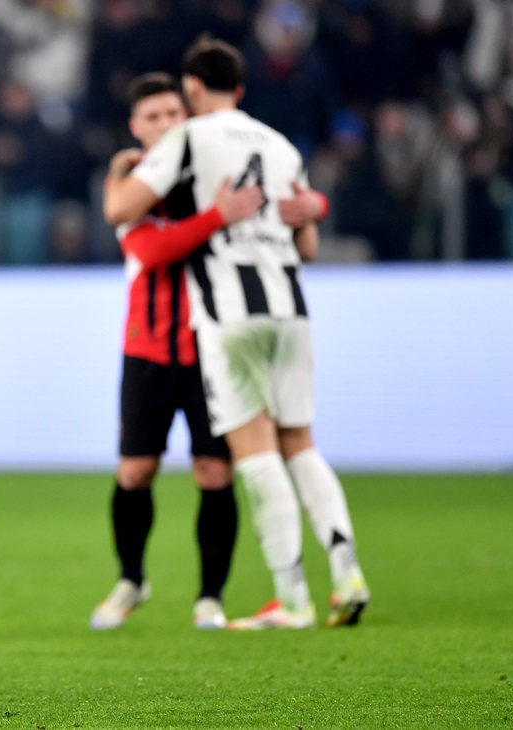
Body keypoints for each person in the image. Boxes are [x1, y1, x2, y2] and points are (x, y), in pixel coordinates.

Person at [105, 37, 370, 630]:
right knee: (299, 442)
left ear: (193, 90)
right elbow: (306, 241)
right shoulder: (279, 145)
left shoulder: (190, 141)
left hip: (227, 316)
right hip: (291, 308)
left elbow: (120, 210)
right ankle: (348, 570)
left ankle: (294, 598)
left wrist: (120, 180)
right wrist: (317, 206)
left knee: (252, 457)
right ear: (243, 88)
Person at [90, 72, 264, 632]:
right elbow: (152, 246)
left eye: (173, 114)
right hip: (148, 348)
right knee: (136, 469)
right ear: (136, 128)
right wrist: (216, 217)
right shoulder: (131, 184)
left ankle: (210, 597)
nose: (166, 124)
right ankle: (131, 578)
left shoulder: (219, 171)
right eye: (154, 117)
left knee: (215, 471)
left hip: (215, 348)